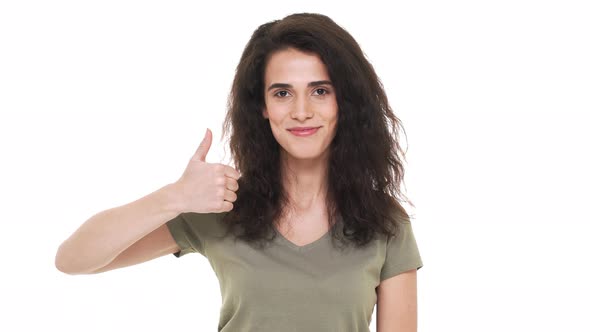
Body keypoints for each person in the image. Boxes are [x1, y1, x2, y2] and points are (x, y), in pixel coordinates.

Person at [55, 12, 423, 332]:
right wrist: (176, 197)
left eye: (320, 91)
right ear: (261, 106)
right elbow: (73, 260)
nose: (301, 111)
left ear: (345, 101)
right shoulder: (223, 207)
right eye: (282, 93)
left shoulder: (385, 224)